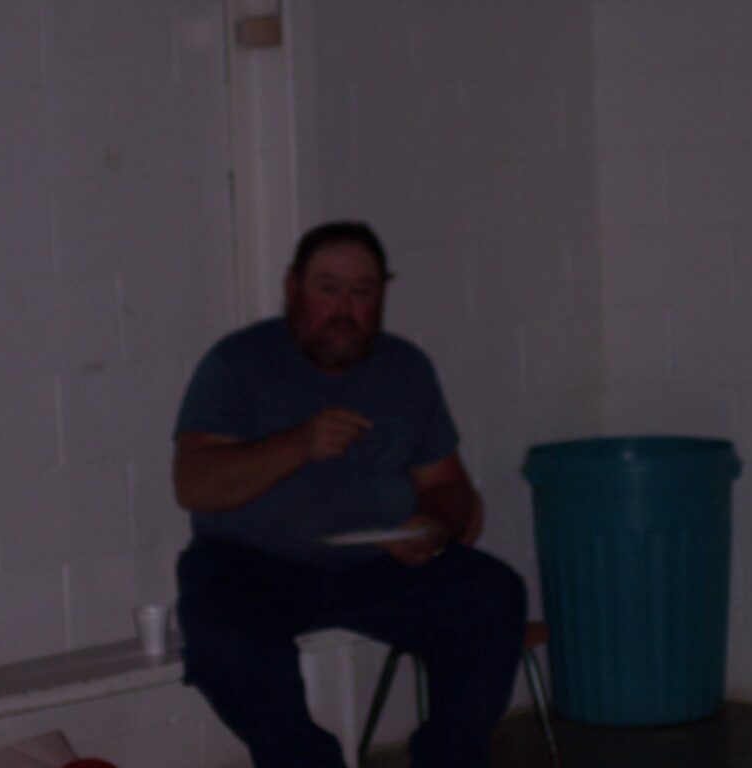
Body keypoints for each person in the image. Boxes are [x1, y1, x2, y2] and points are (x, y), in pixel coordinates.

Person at [172, 221, 527, 768]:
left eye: (362, 292)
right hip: (251, 567)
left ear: (381, 296)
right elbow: (194, 483)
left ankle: (450, 758)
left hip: (375, 564)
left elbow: (451, 489)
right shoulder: (237, 363)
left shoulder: (405, 369)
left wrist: (433, 526)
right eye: (329, 289)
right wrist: (299, 444)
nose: (345, 308)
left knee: (491, 595)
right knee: (225, 638)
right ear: (294, 290)